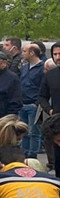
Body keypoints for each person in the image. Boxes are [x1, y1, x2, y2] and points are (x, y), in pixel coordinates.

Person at [19, 44, 45, 158]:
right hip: (22, 103)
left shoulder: (42, 68)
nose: (22, 53)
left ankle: (32, 156)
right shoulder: (24, 67)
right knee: (23, 132)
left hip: (33, 104)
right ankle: (23, 155)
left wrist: (37, 103)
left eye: (24, 51)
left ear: (32, 53)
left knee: (34, 132)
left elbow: (43, 87)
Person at [39, 45, 60, 174]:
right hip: (57, 123)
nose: (58, 57)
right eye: (55, 54)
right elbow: (42, 96)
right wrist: (49, 110)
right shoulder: (50, 75)